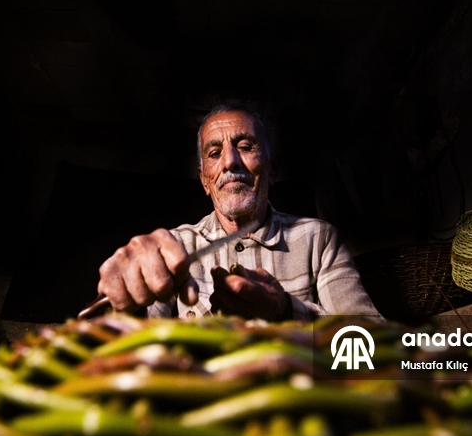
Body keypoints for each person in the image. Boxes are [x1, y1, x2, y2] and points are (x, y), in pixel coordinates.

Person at [96, 104, 380, 321]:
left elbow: (371, 343)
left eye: (245, 146)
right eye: (215, 153)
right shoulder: (175, 248)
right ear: (205, 180)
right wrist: (121, 299)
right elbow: (122, 345)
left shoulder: (319, 239)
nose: (230, 161)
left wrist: (285, 310)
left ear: (272, 169)